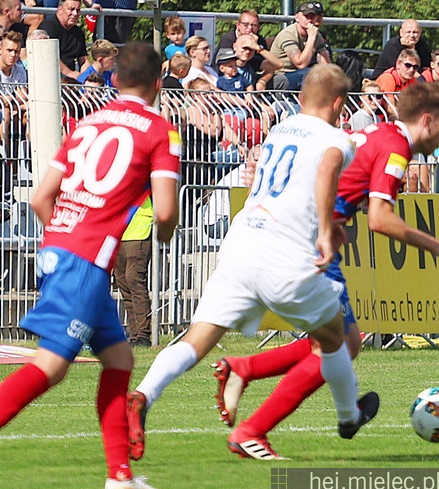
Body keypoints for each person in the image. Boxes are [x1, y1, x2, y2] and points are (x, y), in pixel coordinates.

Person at [126, 64, 387, 463]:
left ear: (301, 98)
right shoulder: (337, 137)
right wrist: (324, 228)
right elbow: (329, 167)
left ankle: (144, 393)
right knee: (339, 340)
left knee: (197, 338)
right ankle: (348, 416)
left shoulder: (280, 129)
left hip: (241, 241)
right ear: (339, 104)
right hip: (285, 254)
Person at [205, 82, 439, 460]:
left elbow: (341, 179)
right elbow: (380, 219)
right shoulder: (396, 148)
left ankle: (244, 368)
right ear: (427, 120)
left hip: (307, 234)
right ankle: (252, 430)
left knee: (343, 343)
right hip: (308, 244)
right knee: (340, 347)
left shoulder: (381, 133)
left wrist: (337, 216)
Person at [0, 42, 179, 489]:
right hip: (84, 260)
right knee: (51, 365)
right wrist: (163, 234)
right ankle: (118, 477)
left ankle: (119, 478)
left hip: (68, 248)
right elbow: (164, 212)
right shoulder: (160, 130)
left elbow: (42, 198)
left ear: (114, 79)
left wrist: (66, 233)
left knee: (120, 359)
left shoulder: (87, 122)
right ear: (159, 83)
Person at [114, 198, 154, 348]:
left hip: (139, 230)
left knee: (134, 280)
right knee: (123, 282)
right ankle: (134, 333)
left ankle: (143, 334)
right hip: (119, 231)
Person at [269, 1, 330, 91]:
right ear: (297, 17)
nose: (309, 20)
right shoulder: (288, 34)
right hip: (280, 76)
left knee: (329, 74)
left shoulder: (317, 35)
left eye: (312, 17)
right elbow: (300, 64)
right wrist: (311, 38)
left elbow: (326, 65)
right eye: (306, 16)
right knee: (309, 74)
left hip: (300, 75)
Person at [38, 0, 88, 79]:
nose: (75, 14)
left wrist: (86, 77)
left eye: (78, 10)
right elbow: (49, 57)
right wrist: (70, 73)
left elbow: (84, 60)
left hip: (71, 80)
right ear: (60, 9)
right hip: (50, 77)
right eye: (71, 9)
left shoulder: (78, 32)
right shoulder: (48, 27)